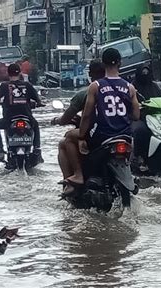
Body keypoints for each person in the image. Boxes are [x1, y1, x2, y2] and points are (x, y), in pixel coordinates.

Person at [61, 48, 140, 195]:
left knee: (69, 138)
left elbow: (86, 115)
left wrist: (82, 137)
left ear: (103, 65)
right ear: (120, 64)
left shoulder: (96, 86)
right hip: (126, 137)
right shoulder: (130, 87)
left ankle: (78, 175)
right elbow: (136, 115)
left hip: (102, 136)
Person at [51, 59, 105, 181]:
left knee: (66, 139)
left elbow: (70, 118)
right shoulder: (122, 88)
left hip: (97, 133)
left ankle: (75, 177)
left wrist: (57, 120)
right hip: (119, 132)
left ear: (90, 74)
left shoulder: (86, 93)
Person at [0, 63, 43, 164]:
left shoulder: (4, 85)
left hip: (9, 119)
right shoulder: (27, 85)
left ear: (8, 73)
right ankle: (36, 149)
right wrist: (38, 103)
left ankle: (0, 152)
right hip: (27, 118)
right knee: (35, 125)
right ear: (20, 73)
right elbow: (37, 99)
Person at [131, 65, 161, 170]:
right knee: (140, 131)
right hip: (139, 117)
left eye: (147, 73)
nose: (145, 75)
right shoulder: (133, 87)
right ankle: (138, 156)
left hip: (156, 117)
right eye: (143, 73)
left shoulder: (154, 86)